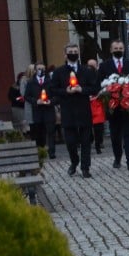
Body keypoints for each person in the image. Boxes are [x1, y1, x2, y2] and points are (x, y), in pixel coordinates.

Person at [50, 43, 99, 178]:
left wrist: (82, 89)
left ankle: (85, 167)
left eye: (75, 51)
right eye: (70, 51)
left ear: (78, 54)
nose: (73, 53)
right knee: (71, 142)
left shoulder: (86, 71)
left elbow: (94, 88)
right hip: (68, 111)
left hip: (83, 110)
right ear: (65, 55)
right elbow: (52, 89)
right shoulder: (59, 72)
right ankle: (74, 161)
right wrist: (65, 91)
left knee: (85, 142)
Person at [98, 39, 129, 171]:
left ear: (124, 50)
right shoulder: (104, 66)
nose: (118, 50)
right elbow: (98, 84)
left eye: (120, 48)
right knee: (116, 136)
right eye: (116, 48)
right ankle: (117, 158)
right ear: (111, 50)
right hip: (113, 108)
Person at [24, 61, 57, 158]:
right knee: (39, 133)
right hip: (37, 111)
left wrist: (50, 101)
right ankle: (41, 151)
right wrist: (36, 101)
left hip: (49, 110)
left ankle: (52, 152)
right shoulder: (31, 82)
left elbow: (56, 96)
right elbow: (27, 96)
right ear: (35, 70)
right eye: (39, 69)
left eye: (42, 69)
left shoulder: (50, 81)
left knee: (51, 132)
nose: (41, 71)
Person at [87, 59, 106, 154]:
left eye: (93, 66)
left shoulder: (100, 75)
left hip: (97, 103)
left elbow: (103, 86)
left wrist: (100, 94)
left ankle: (98, 144)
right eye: (89, 66)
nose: (91, 68)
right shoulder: (84, 75)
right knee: (88, 127)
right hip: (87, 105)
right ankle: (90, 141)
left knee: (99, 127)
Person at [20, 64, 35, 137]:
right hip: (29, 104)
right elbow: (23, 93)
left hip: (38, 104)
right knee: (31, 124)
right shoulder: (24, 80)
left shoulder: (37, 79)